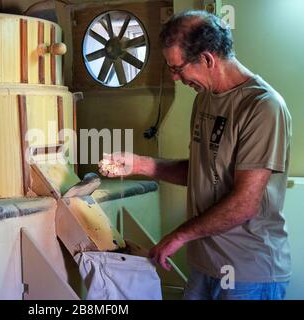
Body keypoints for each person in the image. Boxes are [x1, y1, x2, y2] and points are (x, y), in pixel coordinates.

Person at [98, 10, 292, 300]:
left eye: (177, 69)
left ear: (207, 59)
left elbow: (245, 204)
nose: (175, 78)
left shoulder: (263, 107)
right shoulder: (204, 99)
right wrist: (139, 164)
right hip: (204, 264)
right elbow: (204, 172)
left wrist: (180, 235)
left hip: (247, 273)